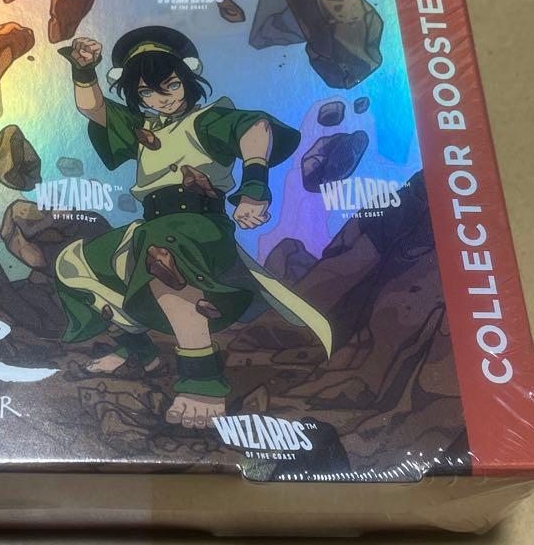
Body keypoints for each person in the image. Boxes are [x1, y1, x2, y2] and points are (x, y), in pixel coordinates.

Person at [54, 25, 332, 429]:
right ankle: (137, 348)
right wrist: (83, 69)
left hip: (199, 225)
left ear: (186, 78)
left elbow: (256, 129)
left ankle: (203, 383)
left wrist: (255, 187)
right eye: (148, 93)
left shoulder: (206, 119)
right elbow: (93, 109)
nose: (162, 99)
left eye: (170, 85)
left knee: (163, 254)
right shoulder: (145, 129)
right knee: (75, 265)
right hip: (151, 223)